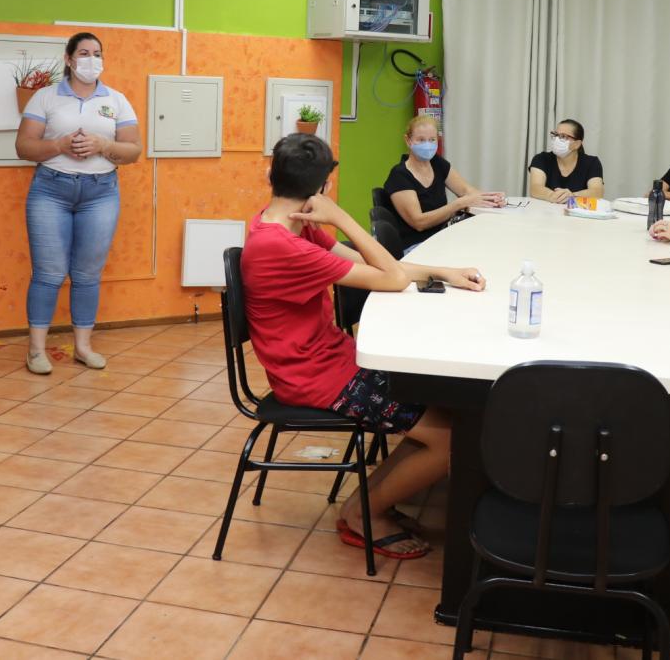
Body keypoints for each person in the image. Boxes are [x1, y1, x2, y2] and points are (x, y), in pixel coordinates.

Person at [243, 133, 487, 559]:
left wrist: (443, 272)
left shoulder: (285, 224)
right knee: (450, 438)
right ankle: (363, 514)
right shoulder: (282, 246)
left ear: (270, 175)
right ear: (323, 187)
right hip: (311, 376)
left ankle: (365, 504)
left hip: (331, 357)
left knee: (442, 411)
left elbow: (369, 263)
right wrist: (341, 217)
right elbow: (392, 277)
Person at [15, 32, 142, 374]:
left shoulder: (116, 100)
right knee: (49, 273)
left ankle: (83, 347)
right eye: (83, 53)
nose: (91, 59)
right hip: (50, 191)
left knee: (87, 274)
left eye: (97, 53)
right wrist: (59, 145)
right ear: (69, 59)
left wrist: (103, 144)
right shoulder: (45, 97)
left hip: (101, 193)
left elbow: (133, 151)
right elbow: (24, 146)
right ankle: (36, 351)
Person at [384, 115, 504, 253]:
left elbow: (466, 190)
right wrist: (458, 204)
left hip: (442, 237)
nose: (427, 145)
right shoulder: (399, 175)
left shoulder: (437, 163)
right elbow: (419, 222)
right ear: (408, 140)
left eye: (432, 140)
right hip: (416, 247)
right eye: (421, 140)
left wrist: (492, 199)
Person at [527, 118, 604, 204]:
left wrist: (572, 196)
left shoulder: (592, 162)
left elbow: (597, 192)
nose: (556, 140)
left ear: (577, 144)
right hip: (546, 211)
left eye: (563, 136)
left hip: (577, 212)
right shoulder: (541, 159)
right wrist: (553, 196)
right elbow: (535, 188)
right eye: (555, 135)